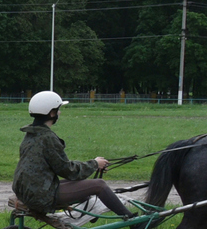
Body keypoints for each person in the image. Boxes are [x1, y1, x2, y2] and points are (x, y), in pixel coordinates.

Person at [12, 91, 132, 220]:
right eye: (58, 110)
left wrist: (93, 166)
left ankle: (95, 207)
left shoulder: (31, 134)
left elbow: (59, 165)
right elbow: (68, 170)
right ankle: (133, 221)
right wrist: (95, 163)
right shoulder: (48, 138)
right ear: (51, 113)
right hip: (39, 195)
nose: (60, 113)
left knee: (83, 183)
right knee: (99, 185)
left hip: (26, 190)